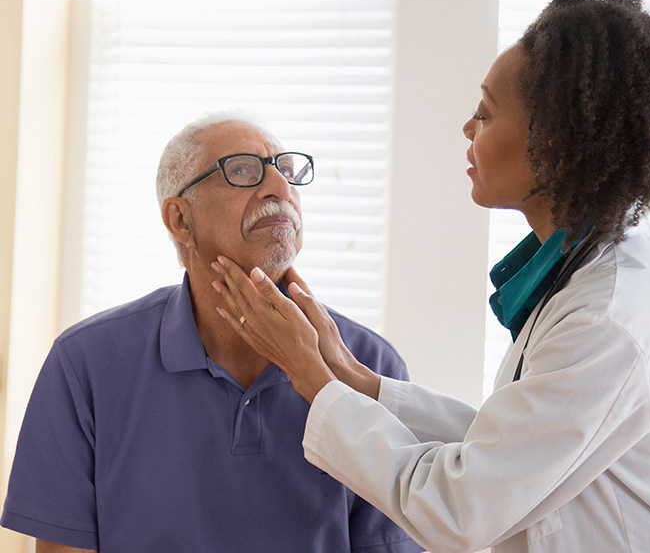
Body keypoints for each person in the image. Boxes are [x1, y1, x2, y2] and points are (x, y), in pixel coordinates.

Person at [209, 0, 650, 553]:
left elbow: (462, 509)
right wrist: (353, 377)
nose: (466, 126)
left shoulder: (610, 317)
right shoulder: (593, 266)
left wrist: (306, 369)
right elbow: (509, 450)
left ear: (556, 141)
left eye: (485, 113)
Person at [0, 111, 424, 553]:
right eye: (242, 170)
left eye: (286, 171)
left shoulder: (370, 366)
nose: (280, 187)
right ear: (180, 220)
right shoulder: (84, 363)